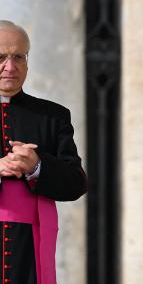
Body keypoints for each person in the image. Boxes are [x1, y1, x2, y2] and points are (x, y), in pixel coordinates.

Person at [0, 20, 87, 284]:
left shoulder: (53, 116)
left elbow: (76, 182)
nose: (10, 67)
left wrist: (37, 166)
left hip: (28, 248)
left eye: (19, 57)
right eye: (1, 57)